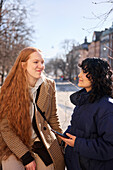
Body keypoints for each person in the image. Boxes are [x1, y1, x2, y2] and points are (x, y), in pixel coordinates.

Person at [0, 47, 65, 170]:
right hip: (14, 143)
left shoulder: (49, 85)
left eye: (42, 62)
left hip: (39, 140)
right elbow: (5, 128)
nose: (40, 66)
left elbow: (53, 117)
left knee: (51, 166)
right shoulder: (7, 90)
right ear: (23, 65)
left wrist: (62, 142)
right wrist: (25, 157)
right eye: (35, 62)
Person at [59, 57, 113, 170]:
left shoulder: (107, 107)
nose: (79, 75)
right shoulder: (83, 101)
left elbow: (109, 147)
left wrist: (77, 144)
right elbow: (80, 128)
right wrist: (67, 135)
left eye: (84, 72)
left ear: (96, 76)